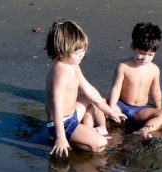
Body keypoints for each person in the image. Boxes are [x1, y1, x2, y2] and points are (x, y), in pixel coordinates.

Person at [45, 19, 127, 157]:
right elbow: (57, 107)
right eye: (77, 53)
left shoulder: (73, 65)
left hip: (73, 114)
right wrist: (61, 137)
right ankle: (69, 139)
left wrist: (109, 111)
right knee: (100, 145)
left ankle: (99, 129)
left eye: (83, 51)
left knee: (95, 98)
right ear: (61, 51)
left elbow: (89, 90)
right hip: (61, 124)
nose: (82, 55)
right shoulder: (59, 73)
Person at [109, 22, 162, 139]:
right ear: (133, 47)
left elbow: (156, 91)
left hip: (140, 111)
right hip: (121, 106)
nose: (145, 58)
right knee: (99, 104)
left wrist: (159, 108)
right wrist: (112, 107)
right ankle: (100, 127)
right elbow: (116, 88)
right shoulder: (124, 66)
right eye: (142, 53)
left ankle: (144, 129)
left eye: (150, 55)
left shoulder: (154, 69)